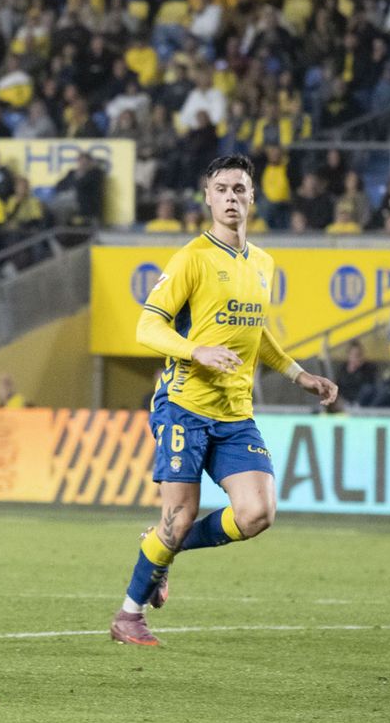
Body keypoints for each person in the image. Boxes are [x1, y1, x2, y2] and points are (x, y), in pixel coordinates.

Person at [112, 154, 338, 648]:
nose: (232, 197)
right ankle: (128, 615)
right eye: (222, 189)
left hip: (235, 413)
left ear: (252, 198)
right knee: (179, 516)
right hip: (184, 406)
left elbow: (256, 333)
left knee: (257, 513)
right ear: (208, 197)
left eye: (240, 189)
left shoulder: (262, 263)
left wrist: (298, 374)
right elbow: (147, 325)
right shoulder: (191, 258)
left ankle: (159, 551)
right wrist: (197, 350)